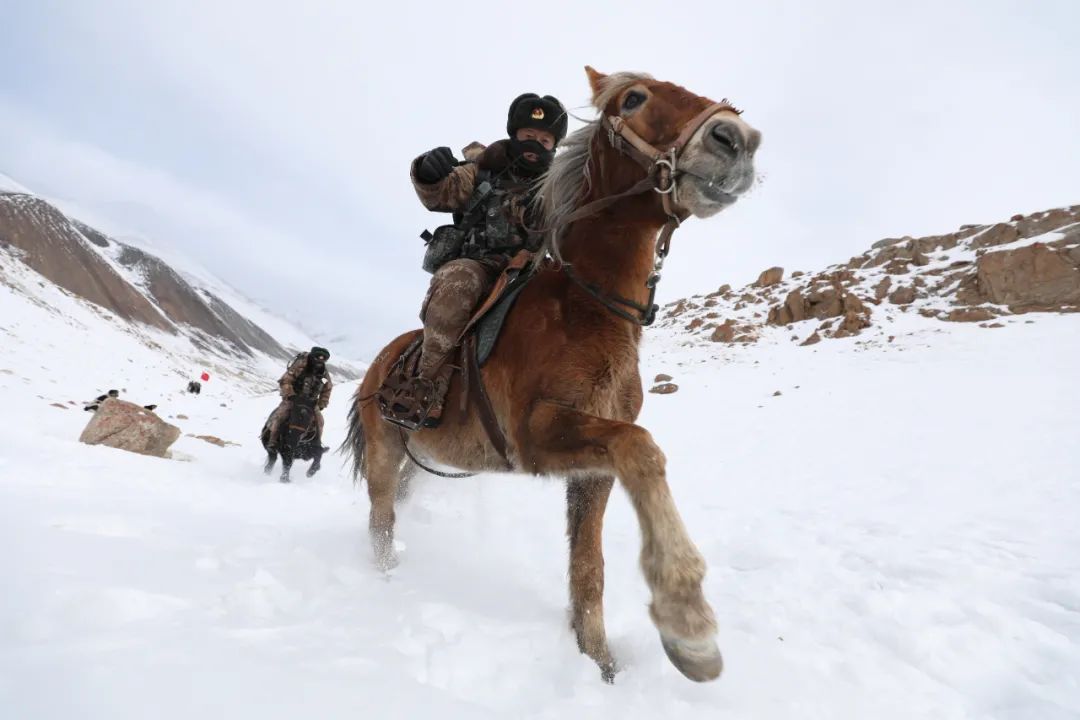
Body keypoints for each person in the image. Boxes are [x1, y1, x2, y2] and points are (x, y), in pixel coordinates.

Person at [403, 92, 568, 426]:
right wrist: (428, 171)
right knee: (456, 286)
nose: (535, 144)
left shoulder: (563, 186)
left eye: (544, 140)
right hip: (479, 264)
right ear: (514, 135)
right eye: (528, 137)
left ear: (554, 146)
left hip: (534, 270)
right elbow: (440, 193)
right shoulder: (479, 171)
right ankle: (427, 386)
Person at [267, 346, 332, 444]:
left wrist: (322, 403)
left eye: (323, 360)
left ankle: (317, 444)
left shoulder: (323, 374)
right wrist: (290, 394)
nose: (319, 362)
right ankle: (272, 440)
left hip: (311, 402)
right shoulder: (300, 366)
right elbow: (285, 380)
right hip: (293, 398)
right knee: (281, 414)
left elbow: (327, 388)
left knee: (320, 421)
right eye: (317, 358)